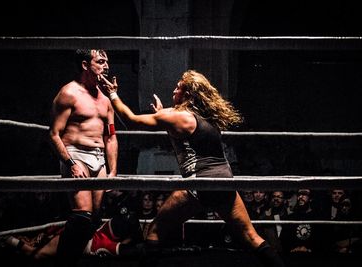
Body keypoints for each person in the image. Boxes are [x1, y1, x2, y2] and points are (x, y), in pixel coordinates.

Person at [101, 70, 285, 266]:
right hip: (224, 179)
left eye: (178, 87)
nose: (174, 89)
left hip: (199, 181)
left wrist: (112, 93)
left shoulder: (179, 116)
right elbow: (185, 137)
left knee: (155, 230)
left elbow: (131, 119)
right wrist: (163, 116)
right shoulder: (207, 118)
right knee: (250, 236)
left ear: (187, 94)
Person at [49, 49, 118, 266]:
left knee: (95, 217)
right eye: (100, 61)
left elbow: (111, 138)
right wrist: (69, 163)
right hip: (76, 154)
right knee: (82, 217)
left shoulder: (106, 101)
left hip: (99, 159)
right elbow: (53, 134)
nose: (106, 66)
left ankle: (72, 257)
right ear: (85, 65)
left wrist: (113, 171)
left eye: (107, 62)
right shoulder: (69, 93)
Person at [0, 212, 143, 260]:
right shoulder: (108, 244)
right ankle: (6, 239)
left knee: (36, 246)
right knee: (37, 254)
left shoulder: (110, 227)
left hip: (77, 233)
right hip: (76, 238)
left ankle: (7, 239)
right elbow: (133, 250)